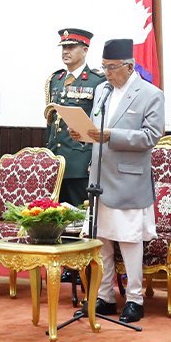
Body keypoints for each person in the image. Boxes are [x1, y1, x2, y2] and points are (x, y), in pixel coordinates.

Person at [70, 38, 164, 323]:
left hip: (129, 180)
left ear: (129, 66)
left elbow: (151, 136)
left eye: (112, 68)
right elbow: (97, 129)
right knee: (102, 241)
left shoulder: (150, 94)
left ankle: (134, 299)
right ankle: (104, 296)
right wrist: (83, 133)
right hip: (99, 178)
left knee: (130, 240)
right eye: (104, 67)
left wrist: (112, 135)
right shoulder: (102, 91)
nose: (108, 73)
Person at [45, 28, 105, 285]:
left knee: (82, 216)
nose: (66, 51)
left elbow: (98, 123)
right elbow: (51, 122)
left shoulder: (96, 81)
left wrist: (93, 157)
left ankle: (84, 267)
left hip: (81, 158)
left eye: (71, 47)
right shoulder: (55, 80)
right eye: (63, 47)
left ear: (85, 50)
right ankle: (67, 264)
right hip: (57, 159)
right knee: (61, 216)